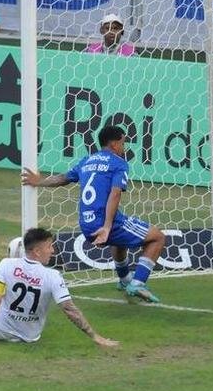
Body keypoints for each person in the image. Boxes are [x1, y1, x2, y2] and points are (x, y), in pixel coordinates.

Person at [21, 124, 166, 303]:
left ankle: (124, 279)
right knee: (157, 237)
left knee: (120, 240)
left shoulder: (86, 161)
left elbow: (63, 178)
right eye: (123, 142)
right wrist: (106, 226)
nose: (124, 147)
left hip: (86, 224)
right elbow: (115, 193)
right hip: (102, 222)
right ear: (114, 144)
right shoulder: (118, 163)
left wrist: (39, 181)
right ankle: (137, 283)